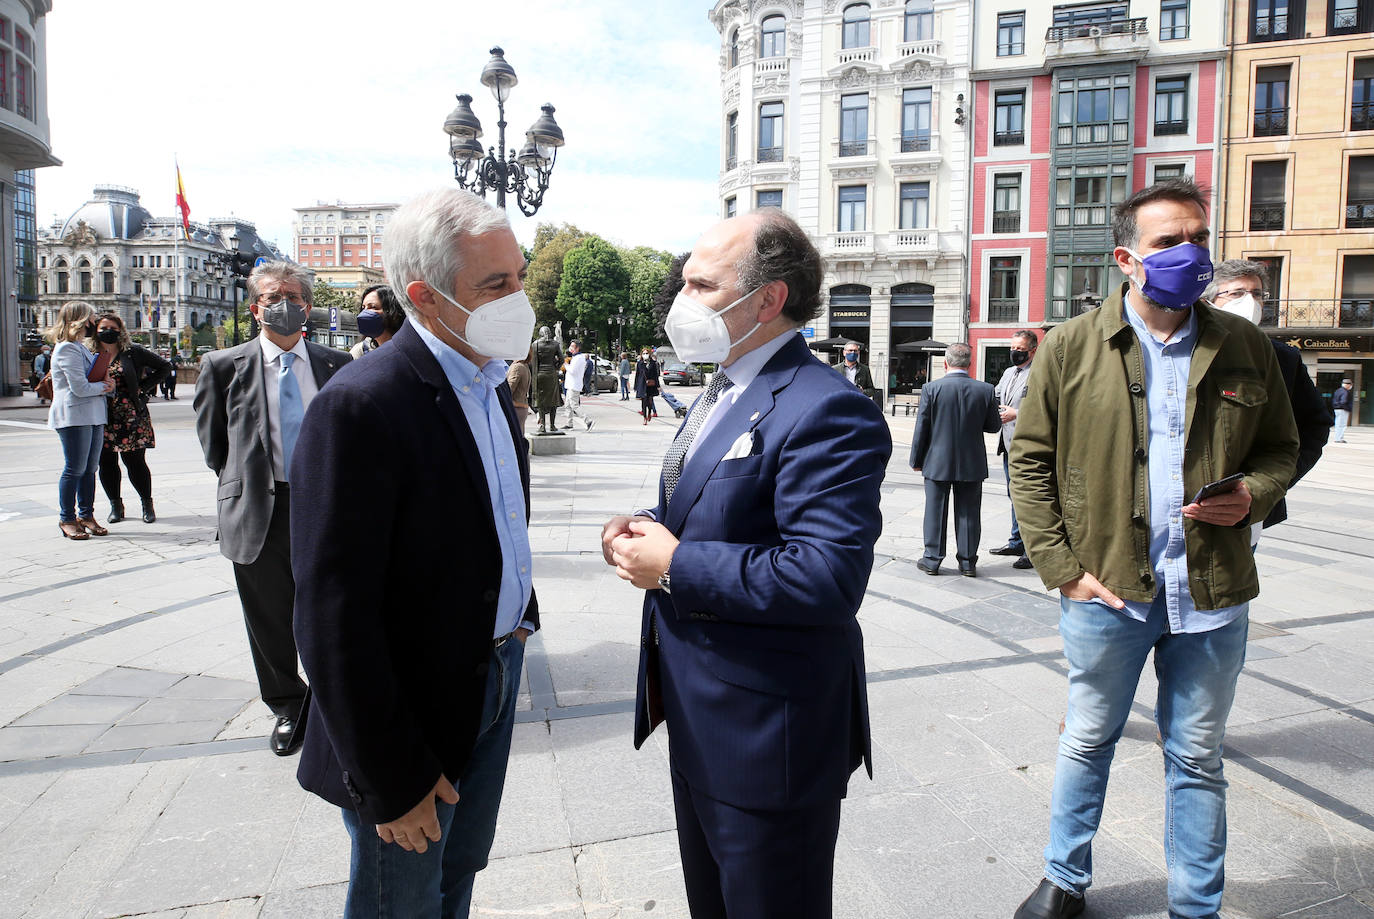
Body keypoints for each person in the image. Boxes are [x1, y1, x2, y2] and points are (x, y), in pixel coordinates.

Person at [1009, 179, 1299, 919]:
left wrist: (1254, 494)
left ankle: (1196, 905)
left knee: (1198, 758)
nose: (1190, 253)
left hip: (1209, 592)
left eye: (1198, 238)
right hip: (1108, 591)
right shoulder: (1072, 346)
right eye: (1169, 241)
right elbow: (1029, 460)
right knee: (1087, 739)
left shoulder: (1244, 346)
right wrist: (1062, 570)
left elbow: (1281, 449)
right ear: (1127, 259)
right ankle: (1063, 879)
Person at [601, 209, 891, 918]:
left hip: (768, 740)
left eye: (701, 284)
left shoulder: (828, 408)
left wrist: (674, 563)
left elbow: (825, 577)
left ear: (768, 299)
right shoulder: (722, 386)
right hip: (702, 716)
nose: (682, 300)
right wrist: (646, 527)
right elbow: (717, 504)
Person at [290, 188, 539, 919]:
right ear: (425, 297)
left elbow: (494, 510)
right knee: (400, 902)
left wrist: (520, 612)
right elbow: (332, 621)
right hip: (409, 713)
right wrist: (392, 777)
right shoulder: (362, 405)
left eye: (519, 277)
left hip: (491, 673)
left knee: (456, 875)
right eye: (496, 285)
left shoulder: (489, 380)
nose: (517, 299)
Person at [193, 261, 350, 756]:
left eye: (291, 295)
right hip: (260, 509)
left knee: (333, 607)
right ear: (256, 306)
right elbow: (214, 445)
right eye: (270, 296)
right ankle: (288, 704)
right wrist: (250, 484)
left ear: (307, 304)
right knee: (267, 617)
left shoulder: (337, 365)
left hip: (326, 507)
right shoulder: (223, 366)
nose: (281, 304)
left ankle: (334, 700)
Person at [1207, 260, 1331, 546]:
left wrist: (1269, 485)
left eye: (1257, 293)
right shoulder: (1184, 349)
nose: (1250, 301)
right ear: (1209, 300)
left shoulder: (1284, 358)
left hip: (1246, 510)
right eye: (1236, 293)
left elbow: (1314, 426)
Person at [908, 342, 1000, 577]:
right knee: (969, 512)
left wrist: (916, 459)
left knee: (934, 511)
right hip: (972, 461)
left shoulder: (931, 388)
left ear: (945, 363)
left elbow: (922, 428)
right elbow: (992, 426)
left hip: (937, 460)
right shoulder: (986, 389)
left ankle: (932, 559)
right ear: (969, 363)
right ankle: (968, 562)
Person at [93, 312, 171, 524]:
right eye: (103, 328)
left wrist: (143, 389)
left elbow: (165, 367)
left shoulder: (132, 352)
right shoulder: (90, 352)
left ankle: (147, 504)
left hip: (131, 415)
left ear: (120, 331)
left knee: (135, 462)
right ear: (95, 331)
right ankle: (116, 506)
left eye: (113, 328)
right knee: (106, 462)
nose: (108, 332)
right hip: (101, 414)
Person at [46, 301, 115, 540]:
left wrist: (107, 385)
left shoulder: (81, 347)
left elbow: (92, 383)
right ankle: (67, 518)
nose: (93, 323)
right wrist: (103, 386)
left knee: (89, 469)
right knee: (74, 468)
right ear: (79, 320)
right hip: (74, 415)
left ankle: (86, 515)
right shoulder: (66, 348)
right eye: (90, 319)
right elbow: (80, 388)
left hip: (93, 414)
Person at [989, 330, 1039, 571]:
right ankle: (1016, 542)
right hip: (1008, 443)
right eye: (1013, 348)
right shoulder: (1009, 372)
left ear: (1032, 351)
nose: (1014, 353)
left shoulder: (1039, 372)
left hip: (1029, 443)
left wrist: (1017, 413)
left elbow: (1048, 405)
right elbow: (996, 394)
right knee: (1013, 495)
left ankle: (1032, 550)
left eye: (1020, 350)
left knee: (1028, 498)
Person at [349, 284, 407, 358]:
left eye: (372, 307)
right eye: (363, 308)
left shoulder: (410, 349)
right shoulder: (361, 351)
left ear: (393, 312)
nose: (364, 313)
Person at [532, 326, 562, 434]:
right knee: (554, 400)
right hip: (552, 374)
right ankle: (553, 425)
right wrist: (555, 368)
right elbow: (561, 359)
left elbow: (534, 364)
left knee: (541, 401)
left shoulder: (535, 344)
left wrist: (533, 380)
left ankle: (543, 426)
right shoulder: (555, 344)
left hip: (540, 374)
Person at [561, 339, 595, 431]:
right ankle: (569, 423)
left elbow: (572, 371)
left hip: (574, 385)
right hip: (571, 385)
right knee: (567, 405)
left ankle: (588, 420)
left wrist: (565, 364)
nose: (570, 348)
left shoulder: (579, 358)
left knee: (574, 405)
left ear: (577, 348)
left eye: (572, 346)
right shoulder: (576, 357)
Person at [507, 345, 533, 429]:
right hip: (521, 405)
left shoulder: (517, 367)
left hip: (516, 406)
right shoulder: (524, 365)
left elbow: (510, 388)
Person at [633, 347, 661, 424]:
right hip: (642, 385)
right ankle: (645, 417)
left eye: (647, 353)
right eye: (644, 353)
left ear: (649, 354)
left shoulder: (653, 363)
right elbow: (637, 375)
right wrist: (636, 386)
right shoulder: (640, 363)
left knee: (650, 402)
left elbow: (656, 375)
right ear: (642, 355)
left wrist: (658, 386)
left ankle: (649, 413)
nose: (645, 355)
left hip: (651, 385)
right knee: (644, 402)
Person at [1332, 377, 1353, 443]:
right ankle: (1339, 438)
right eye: (1350, 385)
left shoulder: (1338, 390)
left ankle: (1337, 437)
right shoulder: (1345, 392)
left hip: (1336, 409)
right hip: (1343, 409)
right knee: (1342, 424)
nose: (1350, 386)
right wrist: (1347, 408)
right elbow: (1343, 401)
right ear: (1347, 385)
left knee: (1338, 424)